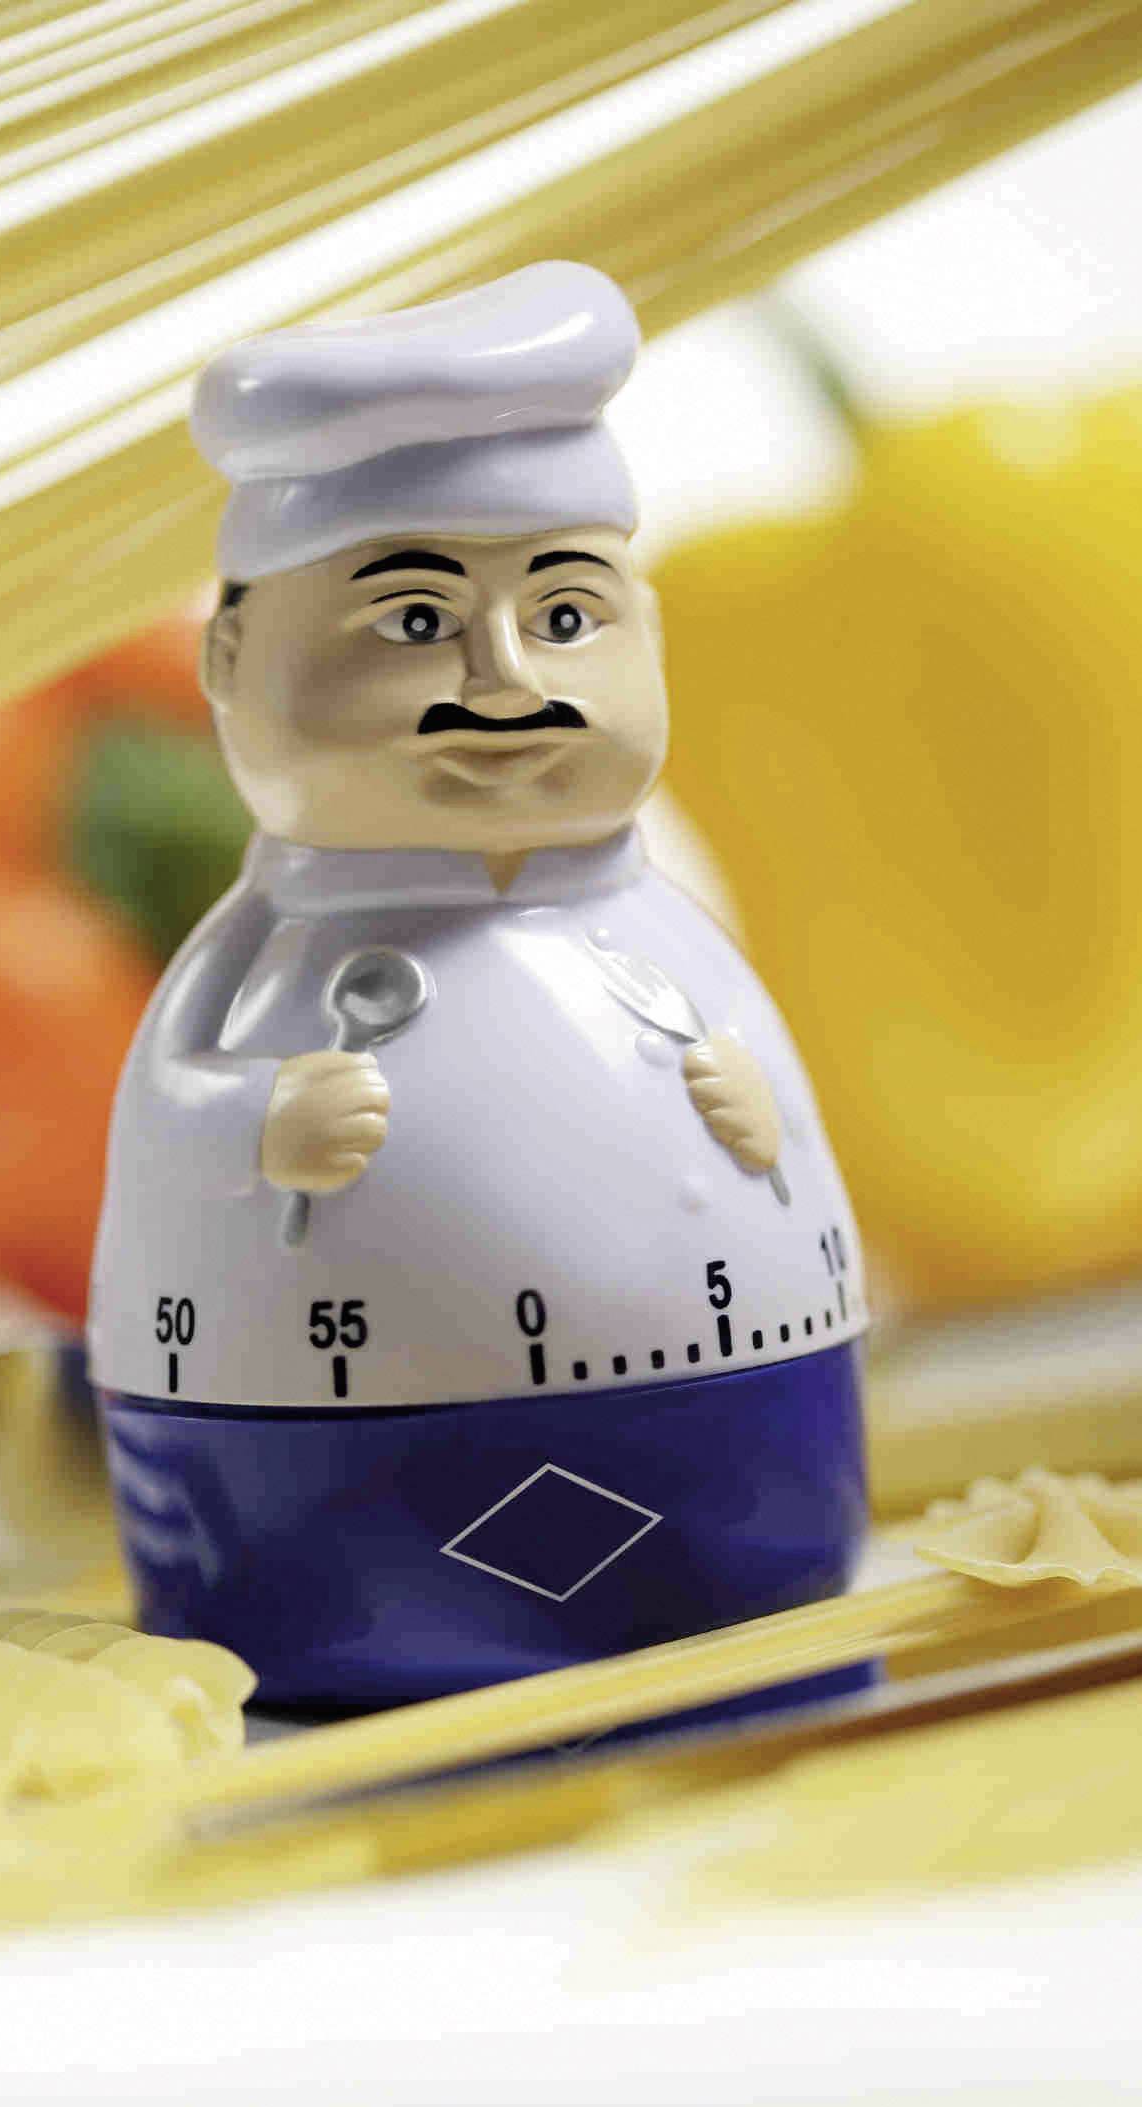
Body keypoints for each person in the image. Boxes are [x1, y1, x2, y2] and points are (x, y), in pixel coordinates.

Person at [90, 263, 867, 1708]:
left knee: (747, 1610)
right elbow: (167, 1115)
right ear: (231, 659)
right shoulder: (252, 968)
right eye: (414, 624)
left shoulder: (666, 934)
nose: (506, 678)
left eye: (565, 618)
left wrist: (764, 1109)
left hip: (735, 1460)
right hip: (316, 1510)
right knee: (362, 1614)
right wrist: (250, 1122)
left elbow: (774, 1112)